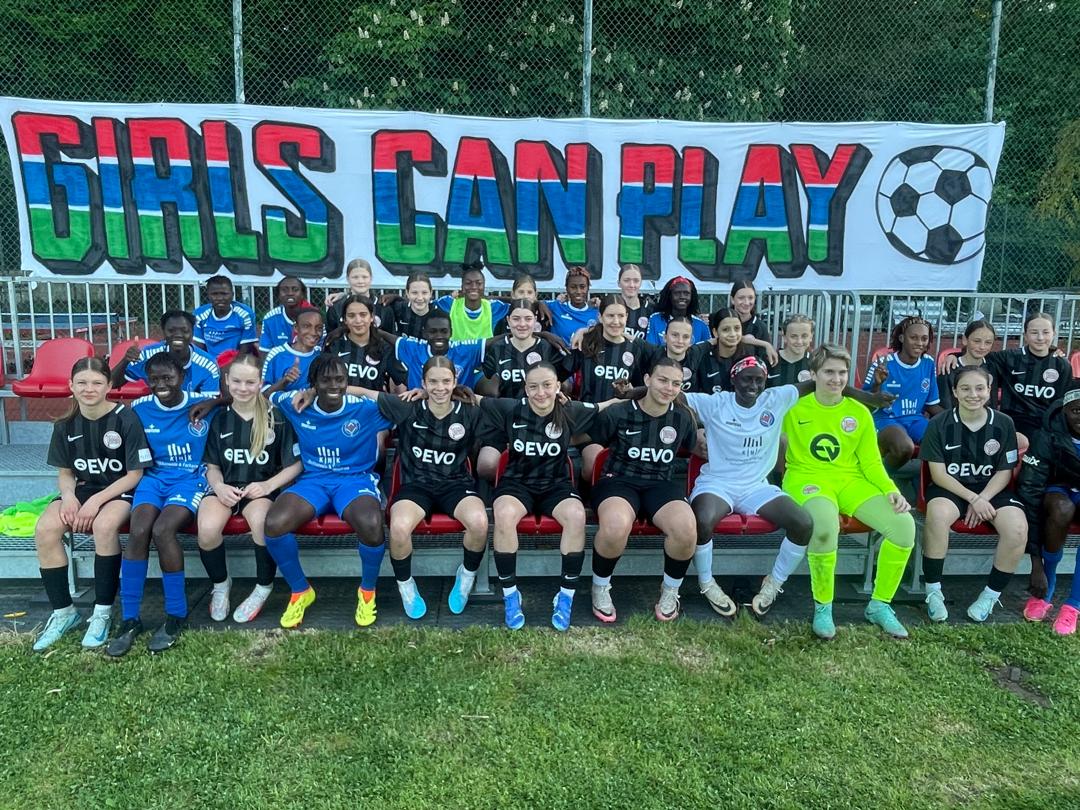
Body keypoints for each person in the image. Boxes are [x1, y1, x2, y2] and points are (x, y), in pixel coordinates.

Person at [321, 356, 489, 619]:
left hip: (455, 484)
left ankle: (466, 575)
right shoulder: (407, 406)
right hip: (416, 486)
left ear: (455, 381)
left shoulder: (469, 411)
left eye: (446, 381)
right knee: (398, 528)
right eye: (433, 382)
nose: (440, 388)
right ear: (423, 382)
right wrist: (314, 392)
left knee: (479, 523)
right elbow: (362, 392)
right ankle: (406, 585)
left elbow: (504, 411)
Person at [781, 344, 917, 640]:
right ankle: (823, 607)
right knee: (824, 526)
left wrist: (890, 489)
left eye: (842, 372)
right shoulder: (792, 408)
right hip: (806, 478)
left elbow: (871, 462)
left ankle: (879, 605)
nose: (836, 379)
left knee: (903, 526)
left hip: (849, 480)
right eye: (829, 372)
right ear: (813, 374)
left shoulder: (858, 412)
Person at [478, 362, 617, 630]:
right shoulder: (510, 408)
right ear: (525, 388)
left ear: (557, 387)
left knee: (576, 515)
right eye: (533, 386)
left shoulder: (570, 410)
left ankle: (565, 596)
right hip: (517, 483)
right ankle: (511, 596)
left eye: (546, 385)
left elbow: (605, 406)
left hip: (556, 484)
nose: (540, 392)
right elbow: (475, 399)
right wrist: (429, 392)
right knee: (503, 514)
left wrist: (636, 393)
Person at [261, 354, 392, 629]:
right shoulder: (296, 403)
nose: (334, 385)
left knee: (371, 523)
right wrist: (302, 391)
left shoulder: (363, 408)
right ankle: (300, 591)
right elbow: (265, 396)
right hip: (314, 480)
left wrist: (357, 390)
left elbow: (402, 409)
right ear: (313, 382)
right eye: (326, 380)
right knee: (273, 524)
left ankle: (367, 591)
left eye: (340, 380)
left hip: (355, 480)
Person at [31, 358, 151, 652]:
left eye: (97, 383)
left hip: (119, 490)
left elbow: (135, 474)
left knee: (104, 526)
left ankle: (102, 613)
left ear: (109, 386)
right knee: (45, 529)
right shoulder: (65, 424)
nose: (89, 389)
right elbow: (65, 473)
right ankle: (64, 613)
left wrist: (97, 501)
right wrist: (69, 497)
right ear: (71, 386)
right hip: (82, 490)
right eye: (82, 383)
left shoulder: (126, 418)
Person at [106, 353, 219, 656]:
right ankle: (130, 619)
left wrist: (215, 402)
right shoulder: (140, 407)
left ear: (182, 376)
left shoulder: (202, 402)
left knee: (163, 530)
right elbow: (110, 399)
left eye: (167, 377)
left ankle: (175, 615)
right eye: (154, 379)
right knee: (139, 530)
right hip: (153, 479)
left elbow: (237, 395)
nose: (161, 384)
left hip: (189, 479)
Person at [587, 357, 700, 622]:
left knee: (686, 529)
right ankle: (600, 587)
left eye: (676, 384)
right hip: (619, 480)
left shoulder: (683, 417)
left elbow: (694, 445)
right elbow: (592, 442)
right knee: (616, 525)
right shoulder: (619, 412)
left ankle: (670, 591)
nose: (669, 388)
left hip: (660, 483)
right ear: (648, 379)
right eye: (662, 380)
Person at [196, 354, 302, 623]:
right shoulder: (219, 419)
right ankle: (221, 584)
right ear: (227, 381)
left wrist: (268, 485)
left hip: (260, 490)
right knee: (207, 528)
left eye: (250, 382)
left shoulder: (276, 418)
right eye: (237, 381)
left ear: (260, 383)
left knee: (262, 525)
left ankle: (263, 587)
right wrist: (218, 486)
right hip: (226, 488)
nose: (243, 388)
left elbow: (295, 465)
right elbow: (212, 466)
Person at [919, 365, 1027, 623]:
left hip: (992, 490)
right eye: (965, 388)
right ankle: (933, 591)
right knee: (937, 515)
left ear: (989, 391)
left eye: (980, 388)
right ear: (955, 392)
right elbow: (938, 474)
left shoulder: (1004, 423)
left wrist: (983, 498)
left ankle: (990, 595)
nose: (973, 394)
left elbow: (1005, 471)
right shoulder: (938, 424)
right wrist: (972, 498)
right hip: (952, 488)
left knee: (1018, 529)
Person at [564, 296, 659, 485]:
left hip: (624, 423)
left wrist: (632, 391)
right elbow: (560, 371)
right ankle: (584, 495)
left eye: (621, 316)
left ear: (627, 317)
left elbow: (652, 381)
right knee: (592, 465)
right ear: (600, 317)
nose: (616, 321)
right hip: (591, 421)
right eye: (610, 316)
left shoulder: (637, 347)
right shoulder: (587, 342)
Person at [476, 299, 565, 482]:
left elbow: (559, 382)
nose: (522, 324)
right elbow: (486, 382)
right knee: (486, 465)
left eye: (528, 319)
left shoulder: (547, 347)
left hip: (538, 422)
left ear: (535, 320)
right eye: (516, 319)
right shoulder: (497, 348)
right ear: (508, 320)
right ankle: (500, 490)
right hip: (502, 420)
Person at [1015, 383, 1080, 634]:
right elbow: (1029, 493)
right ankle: (1046, 590)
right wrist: (1036, 564)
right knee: (1061, 508)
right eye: (1076, 410)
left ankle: (1073, 605)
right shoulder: (1047, 434)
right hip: (1058, 490)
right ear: (1064, 410)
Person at [863, 316, 942, 470]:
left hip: (915, 420)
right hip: (885, 419)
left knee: (942, 441)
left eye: (924, 338)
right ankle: (880, 478)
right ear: (902, 338)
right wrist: (877, 384)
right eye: (914, 337)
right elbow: (866, 404)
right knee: (905, 447)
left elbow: (932, 405)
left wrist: (957, 418)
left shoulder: (928, 363)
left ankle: (922, 480)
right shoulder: (883, 364)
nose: (919, 343)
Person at [112, 310, 220, 394]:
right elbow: (112, 384)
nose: (178, 335)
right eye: (171, 331)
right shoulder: (148, 355)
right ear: (163, 332)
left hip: (193, 412)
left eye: (184, 331)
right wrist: (125, 360)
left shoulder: (208, 364)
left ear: (192, 332)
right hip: (157, 411)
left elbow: (208, 403)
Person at [378, 311, 487, 390]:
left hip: (458, 406)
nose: (439, 336)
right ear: (424, 333)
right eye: (433, 332)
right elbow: (388, 337)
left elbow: (492, 343)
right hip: (419, 406)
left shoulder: (466, 351)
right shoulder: (414, 348)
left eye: (444, 331)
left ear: (451, 332)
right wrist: (372, 328)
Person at [325, 294, 405, 393]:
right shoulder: (334, 344)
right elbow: (321, 381)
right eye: (351, 315)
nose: (358, 320)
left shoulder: (384, 348)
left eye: (363, 315)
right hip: (339, 402)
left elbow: (405, 380)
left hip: (372, 402)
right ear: (345, 319)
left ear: (371, 317)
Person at [432, 262, 511, 340]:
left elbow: (516, 303)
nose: (473, 287)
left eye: (478, 283)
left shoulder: (494, 307)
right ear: (462, 287)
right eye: (468, 283)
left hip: (485, 349)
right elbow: (426, 304)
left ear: (484, 286)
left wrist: (489, 297)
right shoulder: (449, 304)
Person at [692, 308, 757, 394]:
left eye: (737, 328)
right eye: (726, 329)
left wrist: (766, 345)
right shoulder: (704, 358)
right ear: (715, 332)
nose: (732, 334)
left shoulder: (749, 356)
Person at [192, 275, 258, 360]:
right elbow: (199, 349)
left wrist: (232, 366)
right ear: (208, 295)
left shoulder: (245, 314)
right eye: (214, 294)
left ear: (232, 294)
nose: (220, 298)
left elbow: (246, 350)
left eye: (224, 294)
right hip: (210, 362)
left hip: (236, 362)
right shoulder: (199, 315)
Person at [935, 320, 996, 410]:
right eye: (977, 341)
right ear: (965, 340)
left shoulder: (994, 367)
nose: (982, 347)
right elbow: (944, 407)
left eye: (988, 342)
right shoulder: (948, 369)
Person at [261, 308, 325, 394]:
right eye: (306, 326)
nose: (313, 332)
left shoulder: (321, 355)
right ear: (296, 328)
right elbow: (263, 394)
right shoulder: (277, 354)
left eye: (319, 328)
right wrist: (285, 380)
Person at [325, 258, 393, 333]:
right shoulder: (336, 307)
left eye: (364, 277)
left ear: (371, 278)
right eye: (355, 277)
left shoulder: (383, 307)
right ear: (348, 279)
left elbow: (390, 336)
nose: (360, 281)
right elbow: (330, 335)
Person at [645, 276, 710, 346]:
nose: (682, 297)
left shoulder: (701, 325)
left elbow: (707, 349)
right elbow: (650, 349)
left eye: (686, 293)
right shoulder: (656, 319)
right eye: (677, 293)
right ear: (669, 295)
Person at [546, 266, 599, 343]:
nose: (578, 291)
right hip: (560, 351)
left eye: (582, 287)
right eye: (573, 287)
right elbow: (533, 305)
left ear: (588, 288)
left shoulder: (596, 313)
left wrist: (602, 307)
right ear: (566, 288)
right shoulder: (556, 307)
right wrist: (545, 335)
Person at [730, 280, 778, 365]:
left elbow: (763, 361)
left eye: (750, 298)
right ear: (732, 300)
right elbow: (721, 339)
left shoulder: (760, 326)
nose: (746, 302)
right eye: (741, 298)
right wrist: (763, 343)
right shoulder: (721, 320)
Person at [259, 276, 310, 351]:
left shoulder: (314, 316)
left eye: (295, 290)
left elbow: (320, 349)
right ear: (278, 295)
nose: (290, 293)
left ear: (302, 294)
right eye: (284, 290)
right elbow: (265, 352)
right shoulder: (270, 318)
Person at [766, 314, 814, 388]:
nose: (799, 341)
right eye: (793, 336)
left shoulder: (816, 363)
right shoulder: (769, 360)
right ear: (784, 337)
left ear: (811, 337)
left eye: (804, 336)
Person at [385, 271, 434, 338]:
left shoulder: (438, 314)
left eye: (424, 292)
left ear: (431, 293)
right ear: (407, 293)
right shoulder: (398, 308)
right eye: (414, 293)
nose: (420, 298)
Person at [616, 264, 654, 341]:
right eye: (626, 280)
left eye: (636, 281)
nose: (631, 285)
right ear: (619, 283)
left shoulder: (650, 310)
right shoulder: (611, 308)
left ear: (641, 283)